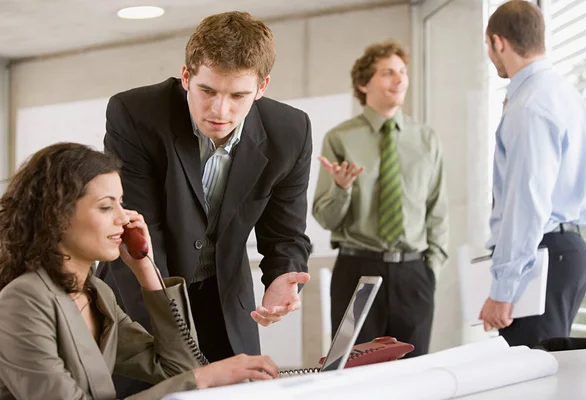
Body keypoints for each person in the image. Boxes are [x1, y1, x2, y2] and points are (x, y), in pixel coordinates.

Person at [98, 10, 312, 379]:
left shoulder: (290, 132)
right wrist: (179, 347)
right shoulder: (135, 114)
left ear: (262, 88)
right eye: (207, 90)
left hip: (225, 297)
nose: (220, 110)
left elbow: (286, 233)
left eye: (238, 96)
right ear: (186, 77)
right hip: (143, 290)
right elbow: (140, 234)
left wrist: (282, 276)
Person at [0, 143, 278, 399]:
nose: (124, 218)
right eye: (107, 206)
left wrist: (148, 272)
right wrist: (203, 378)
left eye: (121, 203)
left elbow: (176, 368)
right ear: (56, 214)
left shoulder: (97, 294)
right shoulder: (24, 300)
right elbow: (190, 377)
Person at [312, 40, 449, 357]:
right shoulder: (340, 138)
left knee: (415, 377)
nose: (399, 79)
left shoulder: (427, 139)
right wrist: (342, 189)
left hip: (414, 275)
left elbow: (437, 211)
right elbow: (326, 217)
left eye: (402, 72)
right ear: (364, 83)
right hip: (356, 272)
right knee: (355, 375)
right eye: (388, 73)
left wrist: (432, 270)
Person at [480, 0, 586, 347]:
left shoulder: (529, 105)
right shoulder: (564, 94)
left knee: (530, 378)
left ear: (498, 42)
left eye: (489, 47)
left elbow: (526, 203)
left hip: (542, 259)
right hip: (568, 251)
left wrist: (504, 290)